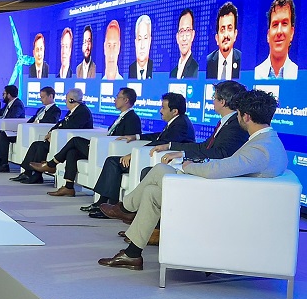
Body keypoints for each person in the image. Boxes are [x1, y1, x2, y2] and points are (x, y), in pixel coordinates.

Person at [98, 89, 288, 271]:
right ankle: (132, 253)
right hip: (225, 193)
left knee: (160, 170)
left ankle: (126, 208)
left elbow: (218, 169)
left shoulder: (259, 149)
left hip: (218, 202)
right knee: (152, 192)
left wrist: (188, 166)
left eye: (238, 114)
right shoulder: (266, 141)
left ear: (246, 116)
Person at [84, 92, 195, 218]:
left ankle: (109, 205)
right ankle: (104, 203)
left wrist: (133, 154)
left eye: (163, 108)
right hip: (151, 158)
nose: (160, 111)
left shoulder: (181, 124)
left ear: (174, 111)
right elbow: (159, 136)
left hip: (159, 161)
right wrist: (136, 137)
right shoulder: (177, 121)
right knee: (114, 161)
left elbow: (163, 142)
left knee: (113, 162)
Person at [30, 87, 142, 196]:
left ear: (126, 100)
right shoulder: (122, 117)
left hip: (110, 150)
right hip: (103, 146)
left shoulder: (132, 118)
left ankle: (51, 164)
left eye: (117, 97)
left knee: (75, 141)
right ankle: (68, 187)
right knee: (72, 152)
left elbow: (128, 141)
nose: (114, 100)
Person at [147, 80, 249, 165]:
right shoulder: (227, 122)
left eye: (214, 98)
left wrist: (184, 154)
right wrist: (170, 146)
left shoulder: (236, 124)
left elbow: (222, 153)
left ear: (222, 102)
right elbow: (204, 146)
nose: (213, 102)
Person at [14, 88, 93, 184]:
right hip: (60, 138)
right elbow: (60, 123)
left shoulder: (82, 112)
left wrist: (55, 135)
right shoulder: (72, 111)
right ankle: (27, 173)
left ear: (71, 100)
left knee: (41, 147)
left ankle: (38, 175)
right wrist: (51, 132)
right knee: (36, 144)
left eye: (66, 99)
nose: (65, 101)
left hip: (67, 141)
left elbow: (71, 127)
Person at [0, 86, 62, 173]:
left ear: (50, 96)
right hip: (26, 131)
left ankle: (4, 164)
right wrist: (24, 125)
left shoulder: (56, 110)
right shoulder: (41, 109)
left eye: (42, 97)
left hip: (35, 133)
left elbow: (51, 121)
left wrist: (37, 122)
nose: (40, 99)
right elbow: (32, 119)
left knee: (3, 135)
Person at [255, 0, 298, 79]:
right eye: (275, 24)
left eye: (284, 23)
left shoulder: (298, 74)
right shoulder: (256, 73)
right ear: (268, 35)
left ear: (292, 33)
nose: (279, 31)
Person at [206, 2, 242, 79]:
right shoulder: (207, 62)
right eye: (222, 29)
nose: (226, 35)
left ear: (235, 34)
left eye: (229, 28)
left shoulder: (243, 60)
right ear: (217, 38)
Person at [170, 9, 198, 79]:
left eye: (188, 30)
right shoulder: (173, 73)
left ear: (193, 35)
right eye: (182, 31)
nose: (184, 38)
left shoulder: (196, 70)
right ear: (177, 37)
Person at [128, 15, 153, 79]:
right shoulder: (129, 70)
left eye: (145, 38)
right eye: (139, 39)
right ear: (135, 42)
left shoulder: (154, 69)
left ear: (150, 41)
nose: (142, 46)